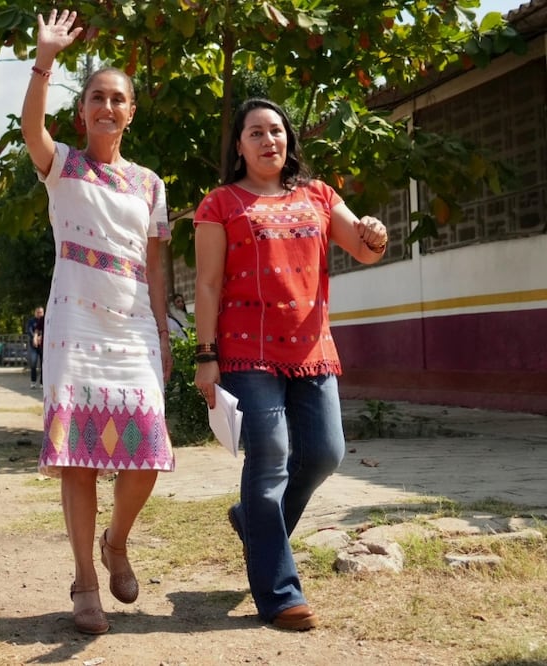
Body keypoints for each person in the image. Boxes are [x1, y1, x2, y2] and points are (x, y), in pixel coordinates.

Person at [193, 98, 390, 631]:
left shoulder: (319, 196)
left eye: (275, 131)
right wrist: (205, 356)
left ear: (289, 140)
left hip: (310, 350)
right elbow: (207, 284)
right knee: (271, 458)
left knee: (326, 452)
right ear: (238, 146)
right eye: (254, 133)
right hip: (245, 349)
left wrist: (374, 230)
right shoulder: (220, 204)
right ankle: (280, 594)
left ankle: (253, 524)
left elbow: (365, 246)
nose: (267, 141)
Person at [22, 9, 174, 635]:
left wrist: (165, 337)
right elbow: (32, 125)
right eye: (97, 98)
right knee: (79, 456)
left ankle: (117, 540)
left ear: (131, 112)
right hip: (74, 329)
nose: (108, 107)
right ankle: (86, 581)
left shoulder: (150, 184)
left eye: (119, 99)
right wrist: (45, 59)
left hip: (133, 327)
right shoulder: (61, 165)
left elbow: (157, 267)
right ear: (81, 112)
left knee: (146, 454)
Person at [24, 306, 45, 388]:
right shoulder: (31, 321)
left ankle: (42, 382)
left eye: (41, 312)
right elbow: (29, 331)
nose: (39, 314)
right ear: (35, 313)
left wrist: (41, 337)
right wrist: (35, 337)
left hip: (43, 345)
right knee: (33, 363)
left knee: (44, 364)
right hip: (34, 345)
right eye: (38, 312)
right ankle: (33, 381)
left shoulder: (45, 320)